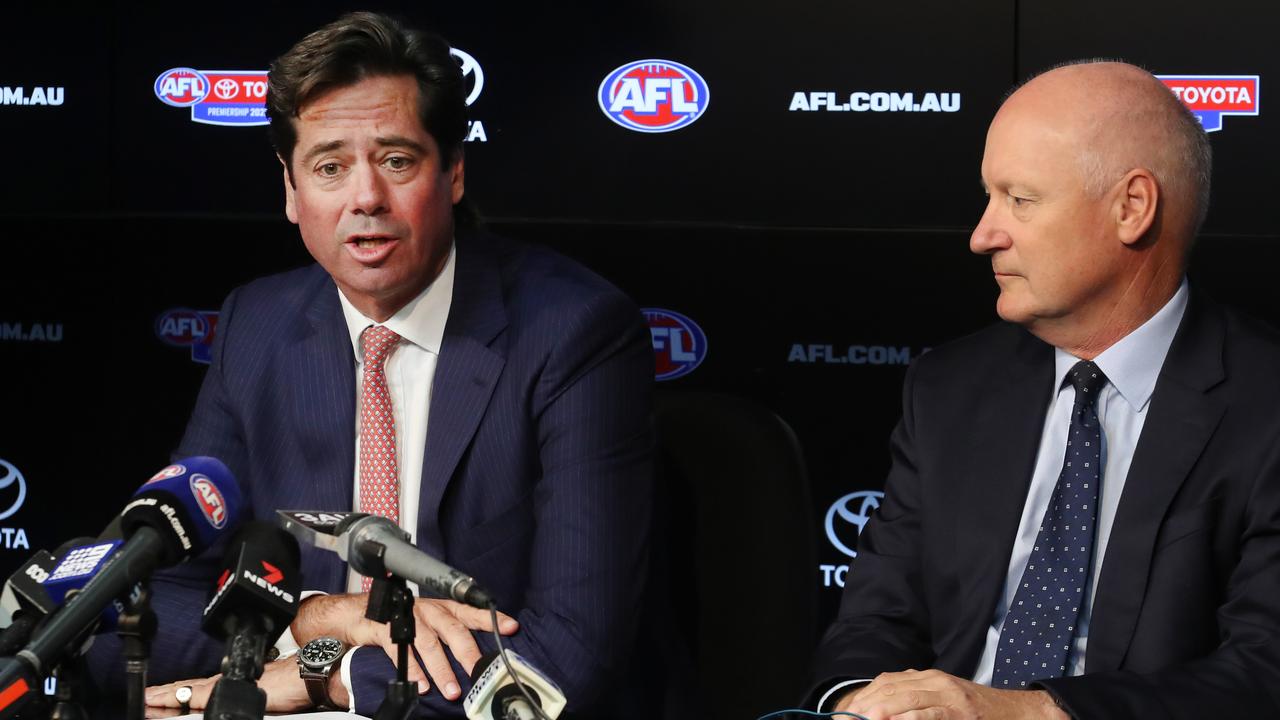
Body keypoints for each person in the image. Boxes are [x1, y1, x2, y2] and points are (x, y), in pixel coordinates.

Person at [87, 12, 655, 719]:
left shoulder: (573, 334)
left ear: (452, 172)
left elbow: (571, 658)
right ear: (291, 190)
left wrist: (333, 676)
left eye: (395, 160)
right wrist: (316, 619)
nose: (365, 198)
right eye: (329, 167)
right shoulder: (256, 329)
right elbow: (133, 611)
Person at [809, 60, 1280, 718]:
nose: (983, 235)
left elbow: (1264, 674)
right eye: (988, 198)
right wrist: (867, 703)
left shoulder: (1264, 405)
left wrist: (1021, 712)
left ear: (1131, 208)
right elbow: (873, 622)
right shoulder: (949, 389)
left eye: (1019, 200)